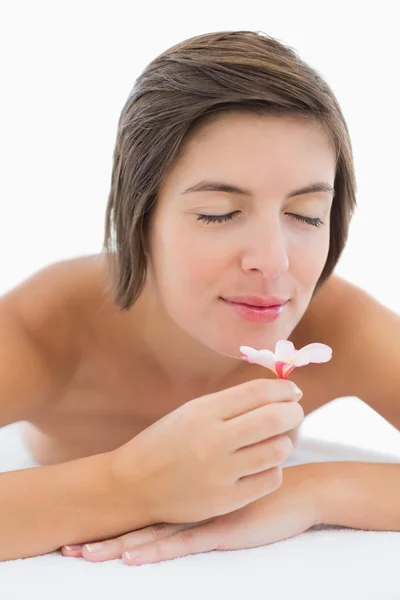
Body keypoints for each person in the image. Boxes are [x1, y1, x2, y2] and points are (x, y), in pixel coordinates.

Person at [1, 30, 399, 565]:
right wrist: (127, 487)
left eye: (306, 215)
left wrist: (314, 491)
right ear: (139, 220)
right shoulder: (41, 332)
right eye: (219, 212)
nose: (273, 260)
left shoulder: (338, 327)